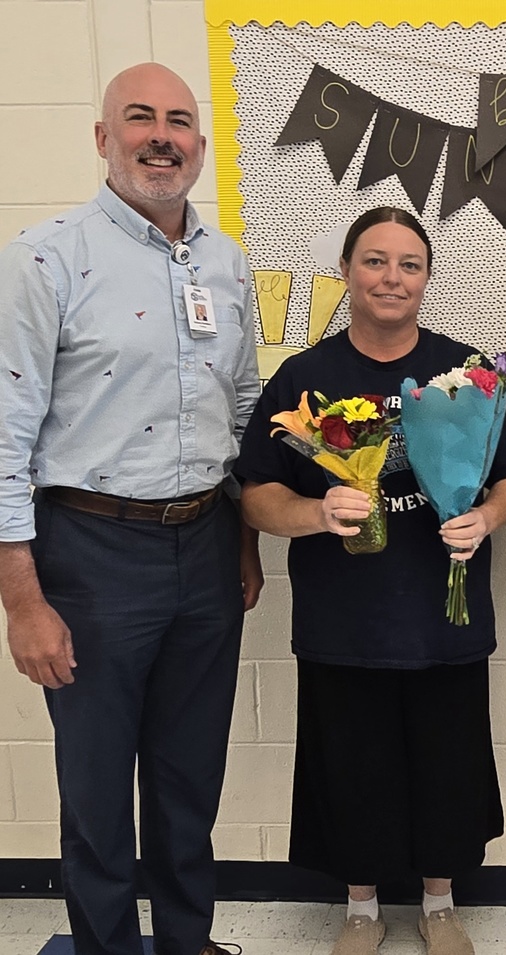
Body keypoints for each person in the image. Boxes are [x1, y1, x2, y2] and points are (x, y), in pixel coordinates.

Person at [0, 64, 263, 955]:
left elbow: (240, 407)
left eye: (180, 121)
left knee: (191, 782)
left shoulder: (224, 264)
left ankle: (187, 943)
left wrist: (246, 540)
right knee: (100, 788)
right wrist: (23, 599)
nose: (163, 135)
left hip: (208, 543)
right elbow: (3, 439)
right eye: (140, 118)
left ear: (199, 143)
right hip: (90, 553)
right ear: (103, 137)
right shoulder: (43, 259)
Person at [235, 206, 506, 955]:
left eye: (408, 263)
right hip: (346, 621)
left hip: (445, 616)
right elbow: (253, 492)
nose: (391, 277)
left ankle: (441, 903)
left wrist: (489, 518)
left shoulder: (467, 372)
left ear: (427, 278)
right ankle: (362, 906)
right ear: (346, 271)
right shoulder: (305, 377)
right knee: (353, 766)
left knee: (448, 763)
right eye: (374, 261)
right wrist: (314, 510)